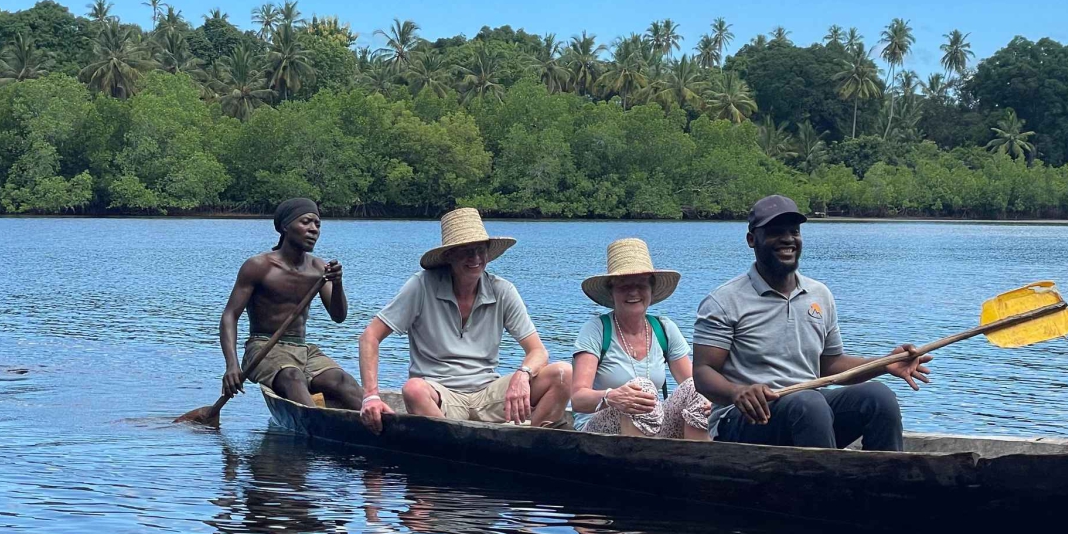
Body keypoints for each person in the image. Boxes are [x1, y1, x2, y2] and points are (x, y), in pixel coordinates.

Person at [691, 194, 930, 450]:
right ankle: (825, 487)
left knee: (878, 397)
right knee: (809, 403)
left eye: (794, 231)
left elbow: (831, 365)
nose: (787, 239)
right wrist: (736, 392)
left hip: (810, 414)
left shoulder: (819, 295)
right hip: (743, 420)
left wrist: (886, 364)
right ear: (752, 240)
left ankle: (885, 485)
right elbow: (703, 373)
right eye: (774, 232)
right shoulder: (723, 301)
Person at [358, 207, 571, 433]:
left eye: (481, 250)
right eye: (466, 251)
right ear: (449, 255)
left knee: (563, 374)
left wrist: (523, 374)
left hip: (488, 394)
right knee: (413, 389)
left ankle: (527, 441)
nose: (476, 259)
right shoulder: (422, 285)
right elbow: (369, 337)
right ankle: (453, 446)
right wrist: (370, 396)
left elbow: (538, 351)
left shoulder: (502, 290)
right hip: (440, 395)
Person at [218, 197, 364, 410]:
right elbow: (229, 316)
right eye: (306, 222)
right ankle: (315, 422)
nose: (313, 229)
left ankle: (379, 422)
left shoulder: (318, 268)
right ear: (286, 226)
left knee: (342, 381)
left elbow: (338, 316)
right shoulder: (259, 266)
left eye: (317, 224)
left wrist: (338, 283)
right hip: (263, 348)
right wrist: (231, 365)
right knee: (294, 378)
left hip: (302, 348)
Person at [569, 238, 712, 440]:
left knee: (696, 389)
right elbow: (578, 399)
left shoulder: (664, 328)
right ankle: (637, 468)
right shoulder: (596, 329)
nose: (634, 292)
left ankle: (698, 464)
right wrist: (611, 397)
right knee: (641, 388)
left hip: (653, 423)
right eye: (624, 286)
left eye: (641, 285)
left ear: (651, 290)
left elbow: (691, 383)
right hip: (597, 430)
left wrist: (713, 401)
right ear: (612, 292)